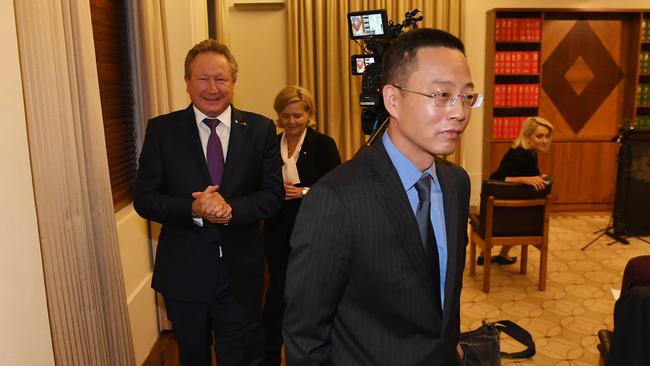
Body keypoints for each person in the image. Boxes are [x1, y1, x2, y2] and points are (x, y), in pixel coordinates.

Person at [283, 28, 481, 365]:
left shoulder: (456, 184)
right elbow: (305, 336)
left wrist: (449, 344)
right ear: (393, 100)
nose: (459, 112)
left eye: (467, 97)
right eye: (441, 95)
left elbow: (445, 293)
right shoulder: (336, 198)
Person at [134, 39, 284, 366]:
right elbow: (145, 199)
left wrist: (232, 210)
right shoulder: (162, 130)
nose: (212, 88)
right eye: (203, 79)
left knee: (243, 358)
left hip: (241, 274)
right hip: (184, 273)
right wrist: (193, 210)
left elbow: (272, 196)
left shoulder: (260, 130)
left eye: (221, 79)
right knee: (192, 358)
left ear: (233, 82)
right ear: (187, 82)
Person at [262, 86, 341, 365]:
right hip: (277, 228)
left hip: (314, 228)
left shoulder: (324, 144)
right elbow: (259, 183)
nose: (292, 122)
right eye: (286, 116)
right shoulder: (270, 144)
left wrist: (303, 191)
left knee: (311, 294)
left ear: (309, 114)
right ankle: (271, 355)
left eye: (298, 115)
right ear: (278, 116)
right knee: (277, 296)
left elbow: (337, 190)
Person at [477, 116, 553, 266]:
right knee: (519, 212)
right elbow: (496, 179)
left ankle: (501, 254)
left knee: (519, 209)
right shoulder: (521, 155)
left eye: (547, 136)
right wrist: (523, 179)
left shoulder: (527, 151)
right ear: (527, 136)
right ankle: (487, 253)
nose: (544, 140)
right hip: (505, 215)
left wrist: (536, 177)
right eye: (539, 136)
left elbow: (527, 175)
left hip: (510, 212)